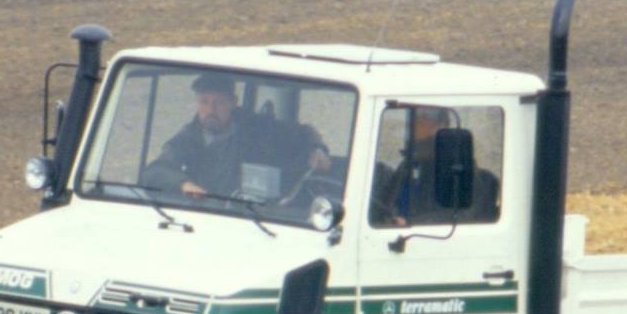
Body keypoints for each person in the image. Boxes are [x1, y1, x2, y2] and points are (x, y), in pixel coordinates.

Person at [139, 71, 329, 199]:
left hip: (264, 214)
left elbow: (305, 133)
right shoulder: (188, 138)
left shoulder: (258, 128)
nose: (210, 109)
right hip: (209, 214)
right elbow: (154, 172)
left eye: (218, 102)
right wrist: (183, 184)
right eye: (204, 102)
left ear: (233, 102)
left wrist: (317, 150)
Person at [371, 105, 498, 227]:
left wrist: (411, 223)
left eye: (424, 118)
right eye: (414, 117)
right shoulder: (408, 164)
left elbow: (462, 214)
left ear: (441, 125)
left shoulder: (457, 166)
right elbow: (387, 202)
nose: (415, 123)